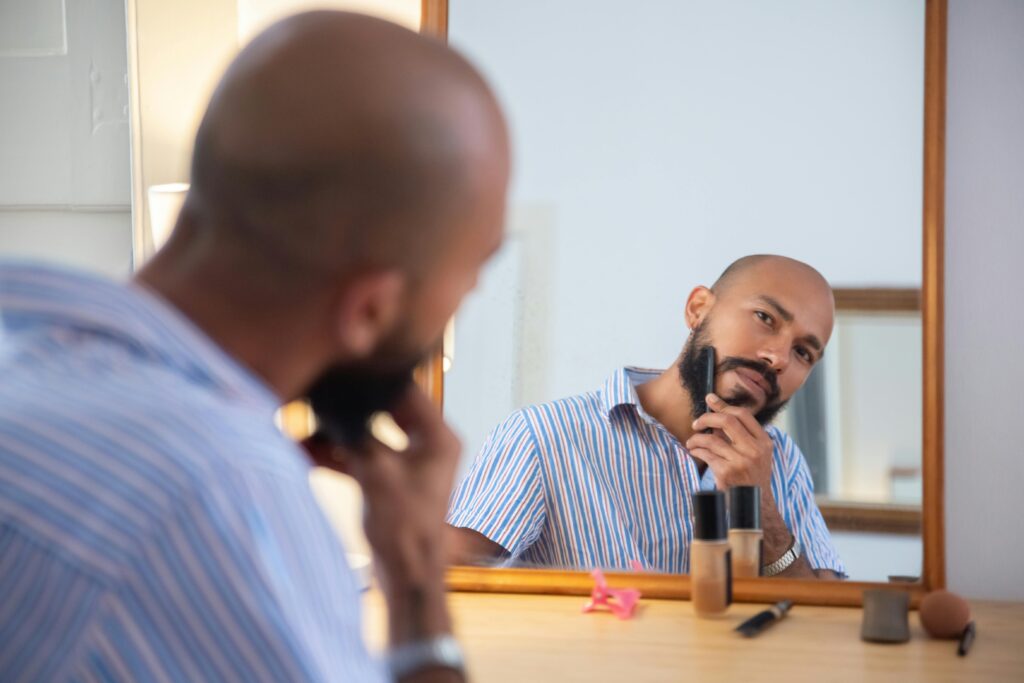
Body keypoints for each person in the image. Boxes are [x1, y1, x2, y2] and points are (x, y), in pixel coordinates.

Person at [0, 11, 509, 682]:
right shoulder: (214, 500)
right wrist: (418, 597)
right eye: (471, 275)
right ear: (369, 311)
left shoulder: (22, 339)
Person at [447, 255, 846, 579]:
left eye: (803, 353)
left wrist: (761, 510)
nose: (777, 357)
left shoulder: (783, 460)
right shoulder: (543, 437)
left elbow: (826, 620)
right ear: (698, 309)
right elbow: (446, 581)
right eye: (765, 318)